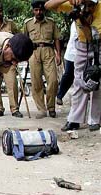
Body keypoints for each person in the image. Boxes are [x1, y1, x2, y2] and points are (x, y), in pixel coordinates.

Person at [45, 0, 101, 131]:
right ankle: (74, 119)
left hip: (99, 43)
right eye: (85, 4)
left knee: (97, 82)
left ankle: (95, 120)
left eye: (91, 5)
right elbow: (48, 5)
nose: (88, 8)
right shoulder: (74, 5)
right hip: (82, 44)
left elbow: (91, 34)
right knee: (78, 82)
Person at [24, 0, 61, 119]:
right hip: (33, 53)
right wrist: (24, 56)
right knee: (36, 82)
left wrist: (58, 54)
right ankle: (41, 109)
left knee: (53, 80)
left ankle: (51, 107)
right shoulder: (28, 23)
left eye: (41, 10)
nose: (39, 12)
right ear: (33, 11)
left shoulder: (51, 22)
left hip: (48, 51)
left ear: (44, 10)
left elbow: (56, 39)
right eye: (36, 10)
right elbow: (24, 40)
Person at [56, 21, 77, 105]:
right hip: (72, 53)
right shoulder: (75, 23)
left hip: (86, 54)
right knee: (68, 75)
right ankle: (60, 96)